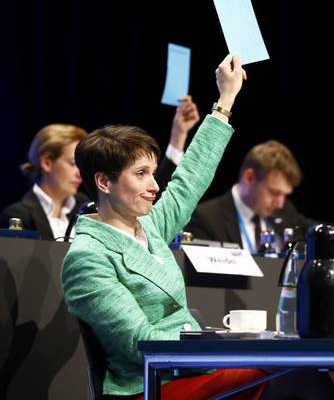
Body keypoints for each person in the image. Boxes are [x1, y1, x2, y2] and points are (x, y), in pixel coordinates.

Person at [60, 54, 270, 399]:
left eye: (153, 173)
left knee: (291, 367)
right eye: (140, 174)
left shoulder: (149, 224)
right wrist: (213, 344)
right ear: (103, 182)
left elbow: (191, 178)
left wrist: (225, 100)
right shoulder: (87, 257)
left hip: (189, 370)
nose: (155, 186)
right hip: (150, 385)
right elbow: (139, 342)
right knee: (274, 367)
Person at [0, 97, 201, 240]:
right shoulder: (18, 215)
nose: (80, 172)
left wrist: (178, 137)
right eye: (73, 164)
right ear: (46, 163)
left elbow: (149, 195)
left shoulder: (89, 206)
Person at [186, 139, 334, 253]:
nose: (280, 203)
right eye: (274, 193)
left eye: (284, 195)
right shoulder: (207, 218)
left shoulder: (286, 214)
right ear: (249, 177)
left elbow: (331, 242)